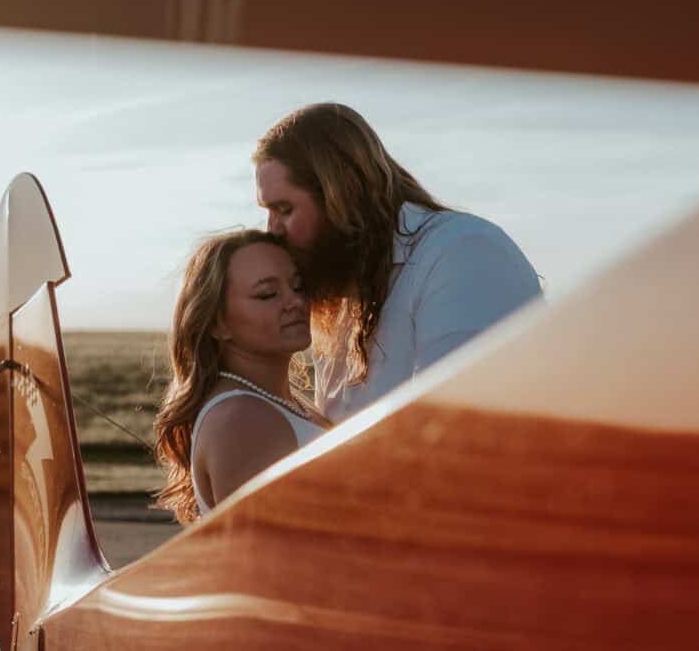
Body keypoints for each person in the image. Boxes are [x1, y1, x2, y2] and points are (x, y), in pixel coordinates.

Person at [253, 102, 541, 423]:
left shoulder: (462, 251)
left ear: (341, 194)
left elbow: (454, 429)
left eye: (284, 210)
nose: (271, 231)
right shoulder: (344, 306)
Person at [154, 229, 330, 525]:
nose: (296, 302)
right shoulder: (240, 419)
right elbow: (270, 562)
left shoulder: (281, 404)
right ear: (218, 324)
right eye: (267, 294)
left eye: (298, 287)